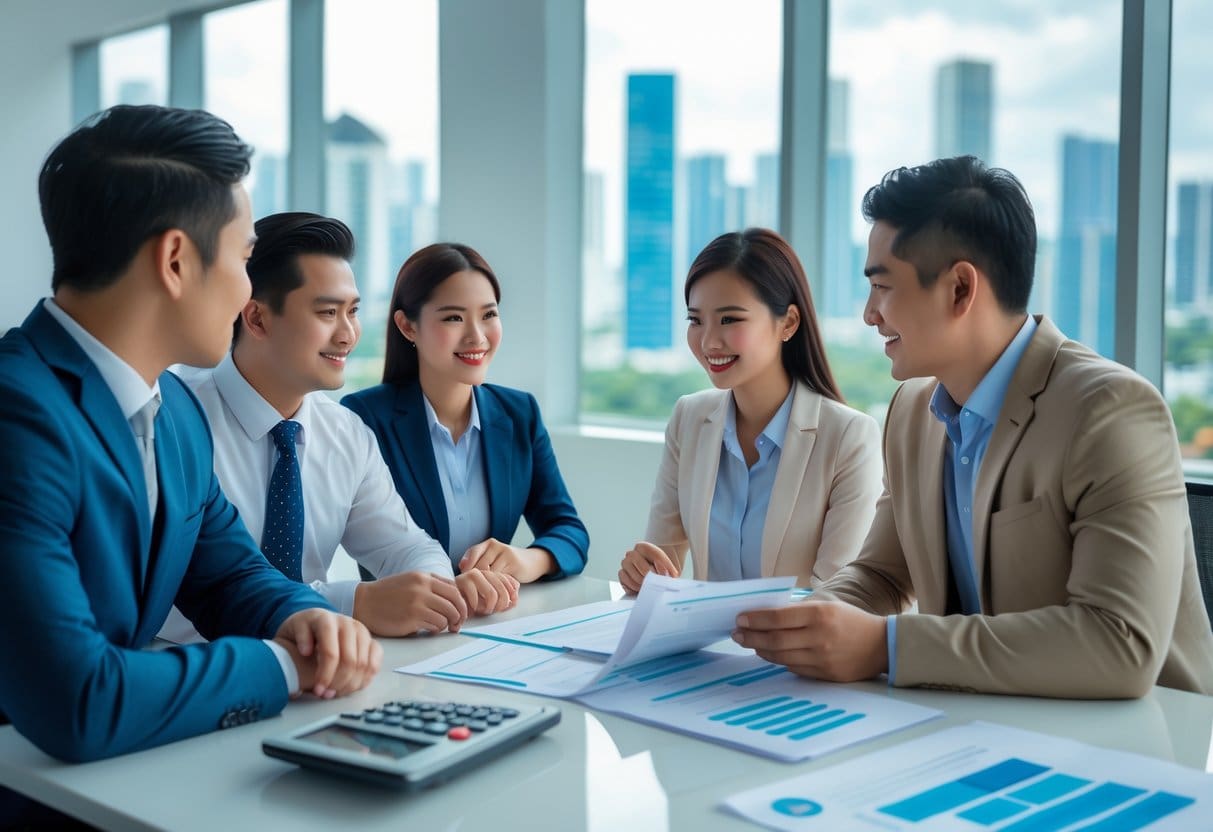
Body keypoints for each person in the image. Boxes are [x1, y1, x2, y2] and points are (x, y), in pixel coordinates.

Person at [733, 156, 1213, 698]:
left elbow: (1118, 642)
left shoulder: (1111, 412)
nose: (869, 314)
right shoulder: (913, 411)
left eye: (883, 287)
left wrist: (882, 647)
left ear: (961, 289)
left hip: (1141, 745)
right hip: (981, 725)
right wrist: (803, 620)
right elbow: (882, 576)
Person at [0, 106, 380, 776]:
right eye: (243, 258)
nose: (245, 290)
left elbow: (229, 571)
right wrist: (277, 665)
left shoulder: (171, 408)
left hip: (125, 774)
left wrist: (303, 617)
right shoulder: (16, 416)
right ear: (176, 260)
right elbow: (75, 699)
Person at [160, 213, 518, 645]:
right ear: (256, 319)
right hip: (194, 667)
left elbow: (406, 547)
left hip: (323, 671)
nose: (348, 334)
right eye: (328, 312)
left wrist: (437, 591)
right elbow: (186, 599)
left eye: (353, 312)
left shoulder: (346, 432)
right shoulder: (173, 423)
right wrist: (353, 604)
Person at [618, 228, 882, 593]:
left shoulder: (849, 436)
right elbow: (662, 567)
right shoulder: (689, 418)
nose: (708, 341)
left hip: (798, 648)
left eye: (729, 319)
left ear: (787, 323)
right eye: (695, 320)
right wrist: (642, 574)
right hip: (705, 646)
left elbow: (838, 598)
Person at [342, 243, 588, 583]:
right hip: (407, 628)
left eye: (489, 315)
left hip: (496, 619)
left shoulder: (520, 413)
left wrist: (528, 560)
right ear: (408, 327)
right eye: (454, 318)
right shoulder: (365, 417)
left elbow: (569, 530)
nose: (477, 336)